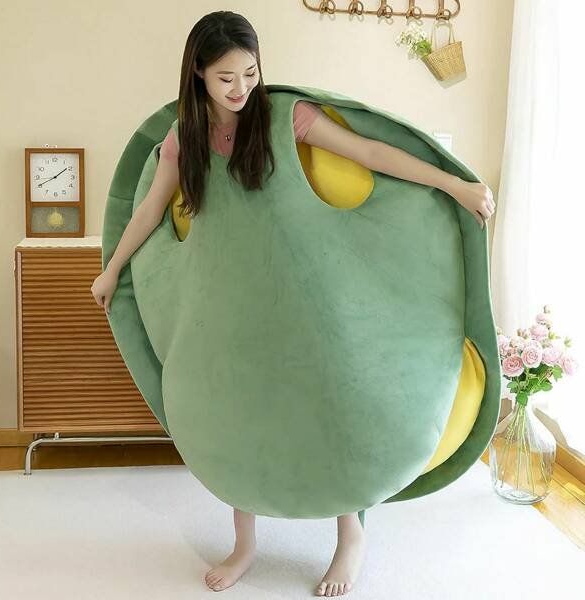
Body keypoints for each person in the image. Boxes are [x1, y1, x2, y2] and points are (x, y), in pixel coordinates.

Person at [91, 10, 496, 597]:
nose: (241, 88)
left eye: (250, 72)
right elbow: (151, 209)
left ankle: (351, 537)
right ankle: (244, 545)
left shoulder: (287, 117)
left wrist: (452, 184)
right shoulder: (184, 139)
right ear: (198, 73)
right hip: (231, 309)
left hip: (305, 299)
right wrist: (111, 271)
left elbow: (369, 152)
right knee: (238, 417)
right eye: (226, 77)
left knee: (333, 404)